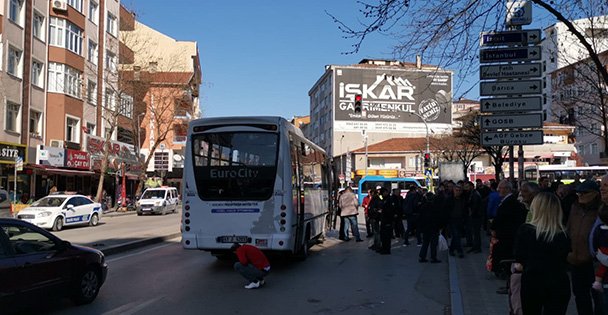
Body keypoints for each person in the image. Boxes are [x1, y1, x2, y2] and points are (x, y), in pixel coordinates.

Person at [513, 192, 571, 315]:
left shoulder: (526, 231)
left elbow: (519, 262)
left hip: (533, 282)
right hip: (559, 283)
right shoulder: (564, 234)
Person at [567, 179, 604, 314]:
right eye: (578, 193)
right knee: (580, 295)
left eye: (584, 193)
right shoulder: (575, 207)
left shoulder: (601, 210)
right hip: (575, 260)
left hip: (593, 261)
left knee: (597, 296)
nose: (580, 195)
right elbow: (570, 228)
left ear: (594, 194)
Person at [490, 180, 528, 285]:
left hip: (507, 235)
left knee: (506, 257)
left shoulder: (510, 202)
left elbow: (502, 218)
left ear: (507, 189)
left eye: (501, 188)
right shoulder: (508, 201)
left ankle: (508, 281)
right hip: (507, 234)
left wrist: (494, 227)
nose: (498, 190)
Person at [418, 192, 442, 263]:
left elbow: (420, 218)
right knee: (433, 244)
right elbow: (438, 218)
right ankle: (433, 257)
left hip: (426, 228)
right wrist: (439, 226)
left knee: (425, 243)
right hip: (434, 228)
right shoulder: (435, 207)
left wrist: (421, 228)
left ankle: (422, 257)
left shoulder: (423, 206)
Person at [448, 184, 467, 258]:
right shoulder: (450, 199)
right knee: (456, 235)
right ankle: (460, 251)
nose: (457, 192)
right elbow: (445, 210)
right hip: (452, 220)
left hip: (460, 220)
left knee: (456, 236)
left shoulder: (462, 199)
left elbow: (464, 209)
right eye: (456, 190)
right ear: (453, 191)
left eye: (459, 191)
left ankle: (451, 249)